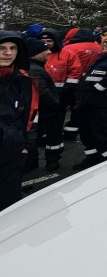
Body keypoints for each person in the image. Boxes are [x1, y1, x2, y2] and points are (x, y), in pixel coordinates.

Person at [73, 33, 107, 169]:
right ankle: (92, 157)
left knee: (104, 132)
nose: (105, 44)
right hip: (89, 101)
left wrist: (95, 89)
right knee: (88, 131)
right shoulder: (104, 57)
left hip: (102, 103)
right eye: (105, 42)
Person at [0, 31, 38, 211]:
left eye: (12, 48)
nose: (8, 53)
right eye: (1, 48)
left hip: (12, 150)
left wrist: (27, 145)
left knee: (10, 200)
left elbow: (33, 112)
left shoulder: (25, 79)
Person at [25, 38, 61, 171]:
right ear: (35, 53)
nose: (49, 52)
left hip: (41, 113)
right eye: (44, 49)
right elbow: (43, 93)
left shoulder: (34, 67)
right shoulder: (36, 70)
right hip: (44, 113)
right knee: (38, 139)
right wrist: (56, 104)